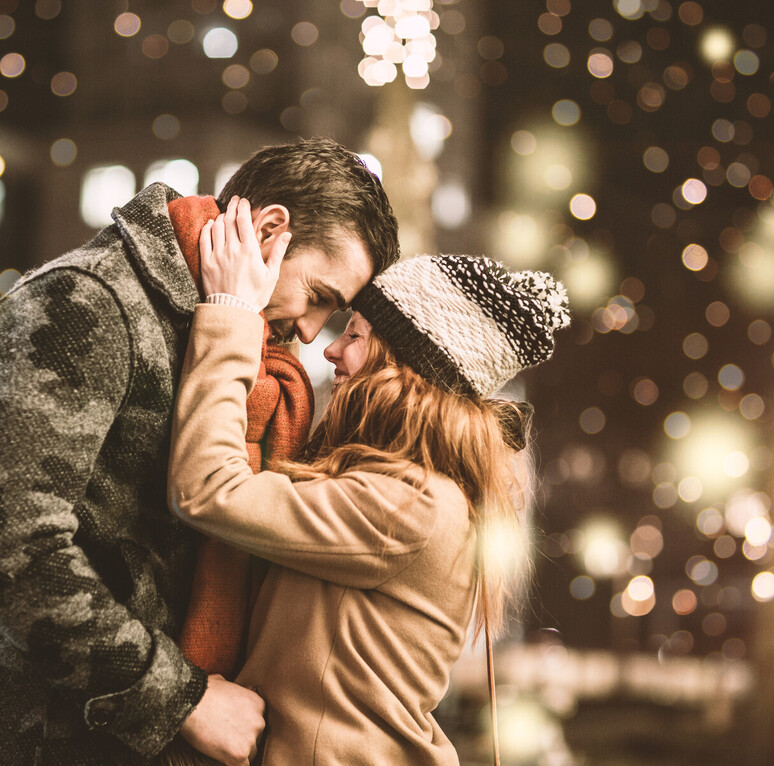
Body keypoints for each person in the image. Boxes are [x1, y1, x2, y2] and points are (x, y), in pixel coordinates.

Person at [0, 138, 400, 766]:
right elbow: (5, 547)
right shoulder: (86, 300)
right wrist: (181, 701)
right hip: (43, 746)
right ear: (269, 228)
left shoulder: (242, 346)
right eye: (318, 295)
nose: (313, 332)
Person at [167, 203, 569, 764]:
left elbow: (209, 487)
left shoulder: (410, 505)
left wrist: (231, 310)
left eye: (354, 334)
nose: (329, 347)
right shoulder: (405, 486)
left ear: (400, 368)